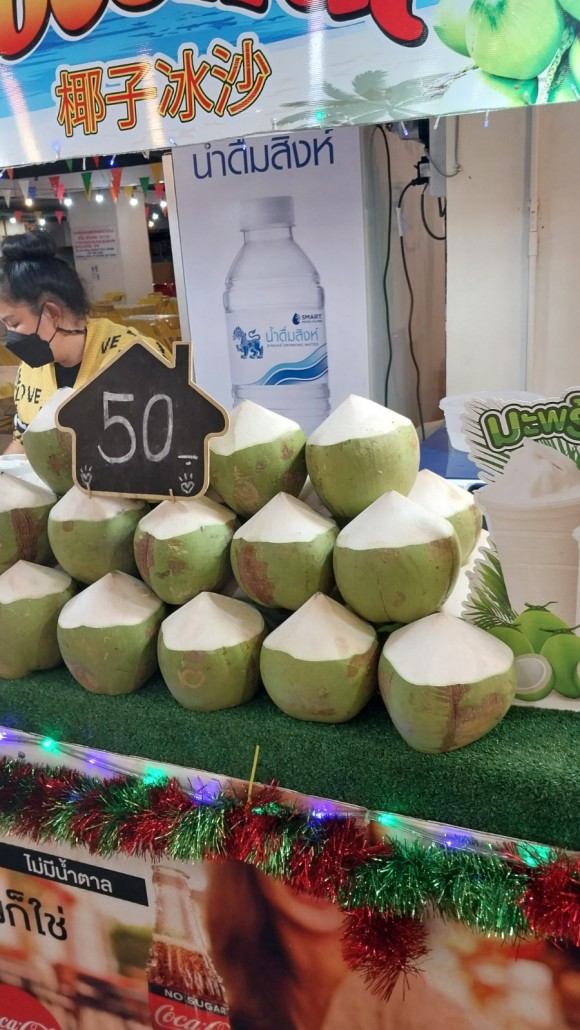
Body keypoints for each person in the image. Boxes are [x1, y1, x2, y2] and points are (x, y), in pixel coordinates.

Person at [203, 862, 488, 1030]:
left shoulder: (408, 1004)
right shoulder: (236, 992)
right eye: (293, 829)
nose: (319, 869)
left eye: (348, 838)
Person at [0, 230, 167, 454]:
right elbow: (23, 442)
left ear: (51, 313)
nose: (10, 335)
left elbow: (168, 445)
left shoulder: (136, 358)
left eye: (14, 323)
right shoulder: (31, 370)